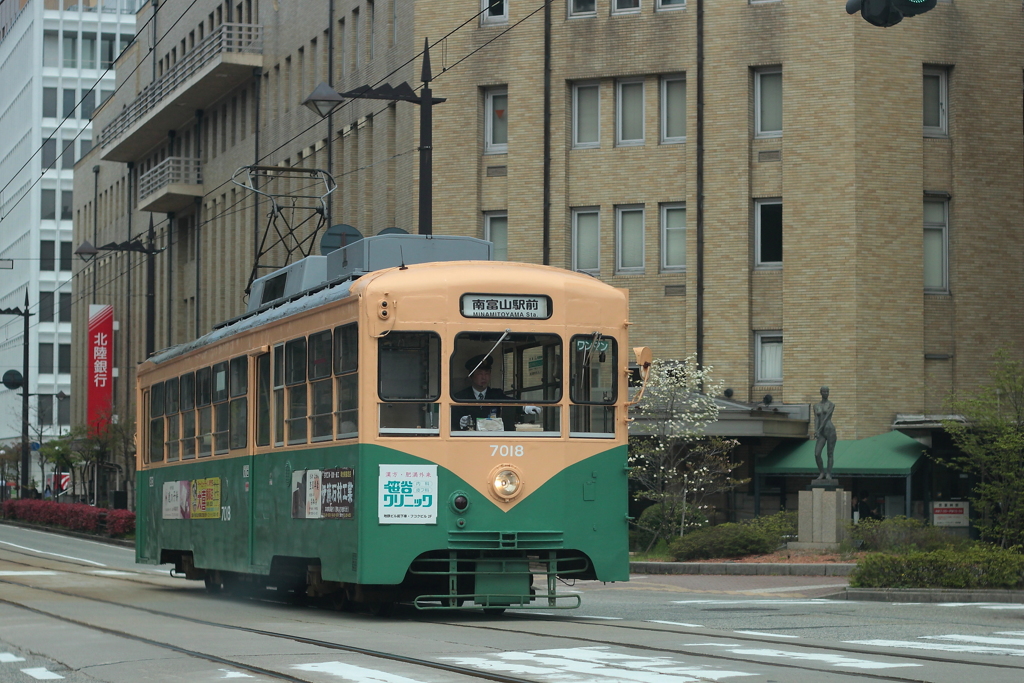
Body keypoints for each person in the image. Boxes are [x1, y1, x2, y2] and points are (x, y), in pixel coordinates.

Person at [452, 355, 539, 431]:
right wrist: (460, 421)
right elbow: (452, 419)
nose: (484, 377)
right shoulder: (460, 397)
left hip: (493, 436)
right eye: (480, 374)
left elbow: (509, 402)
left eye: (487, 373)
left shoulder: (496, 394)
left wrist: (524, 407)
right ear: (471, 376)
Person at [813, 386, 837, 481]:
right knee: (817, 453)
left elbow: (827, 417)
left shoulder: (831, 404)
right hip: (821, 432)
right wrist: (816, 431)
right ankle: (822, 472)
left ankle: (829, 474)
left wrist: (818, 429)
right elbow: (816, 418)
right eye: (824, 391)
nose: (826, 393)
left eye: (827, 391)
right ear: (821, 393)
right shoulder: (816, 406)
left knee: (830, 453)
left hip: (829, 429)